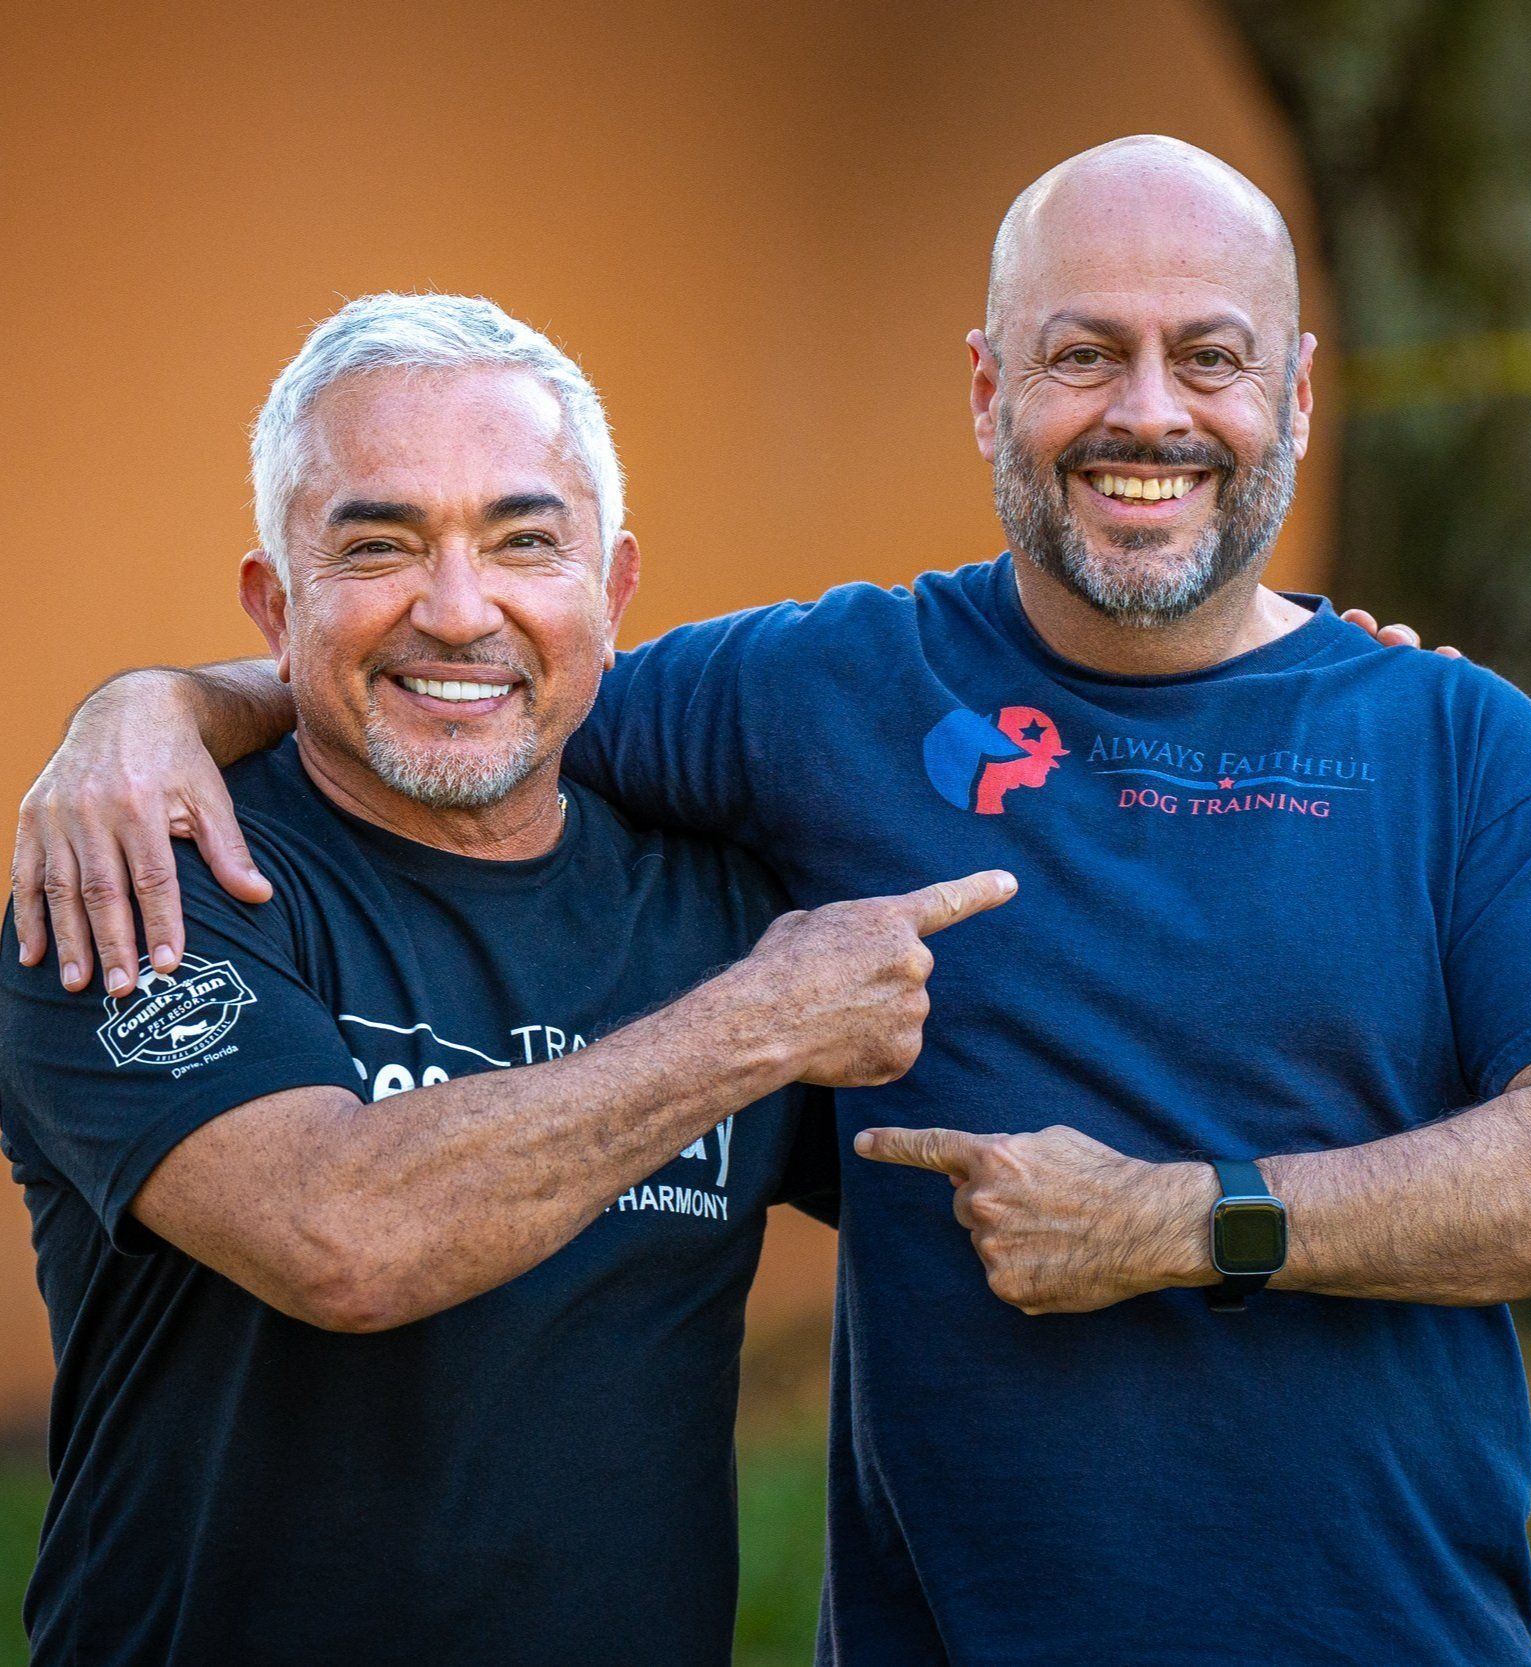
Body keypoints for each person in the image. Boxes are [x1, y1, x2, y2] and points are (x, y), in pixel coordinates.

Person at [17, 137, 1531, 1664]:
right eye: (1082, 353)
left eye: (1211, 356)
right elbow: (486, 680)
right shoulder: (814, 693)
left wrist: (1189, 1221)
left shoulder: (1455, 740)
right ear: (987, 387)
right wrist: (151, 706)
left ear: (1298, 391)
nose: (1148, 414)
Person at [0, 293, 1015, 1667]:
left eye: (525, 540)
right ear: (271, 599)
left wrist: (1298, 679)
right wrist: (753, 1030)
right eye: (380, 546)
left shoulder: (718, 903)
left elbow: (1017, 1196)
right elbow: (338, 1235)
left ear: (614, 590)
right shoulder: (136, 882)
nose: (460, 609)